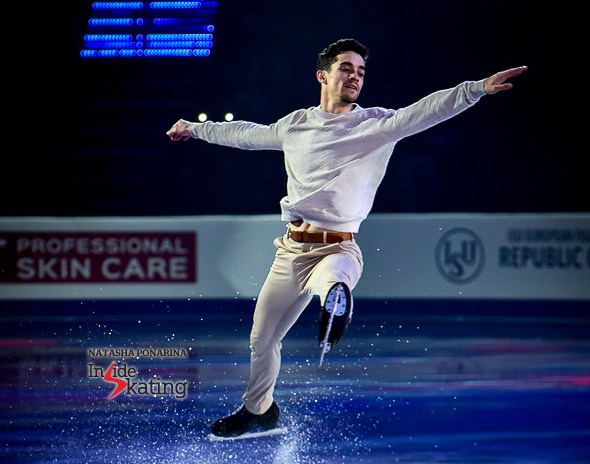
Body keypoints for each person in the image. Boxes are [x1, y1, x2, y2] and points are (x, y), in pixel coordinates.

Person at [167, 39, 527, 439]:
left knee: (334, 279)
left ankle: (336, 299)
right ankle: (260, 410)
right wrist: (195, 129)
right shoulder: (296, 125)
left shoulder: (377, 124)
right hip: (290, 250)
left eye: (360, 71)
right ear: (323, 75)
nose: (355, 76)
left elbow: (429, 109)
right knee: (261, 338)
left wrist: (475, 88)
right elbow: (247, 134)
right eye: (346, 68)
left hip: (338, 247)